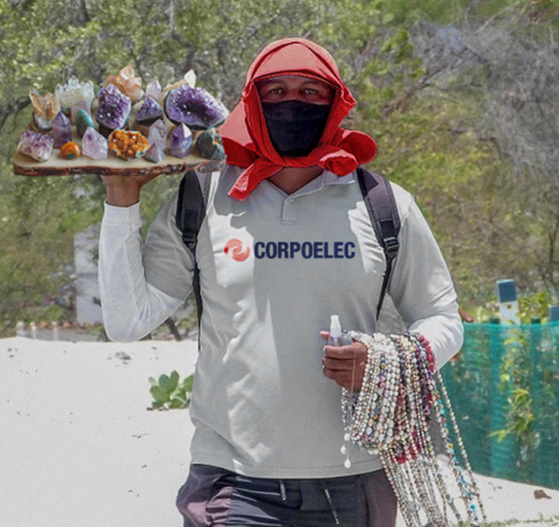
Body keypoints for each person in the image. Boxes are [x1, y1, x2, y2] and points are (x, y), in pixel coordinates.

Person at [98, 38, 463, 527]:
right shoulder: (203, 197)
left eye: (312, 92)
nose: (293, 103)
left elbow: (443, 319)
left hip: (356, 478)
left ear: (337, 104)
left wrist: (388, 360)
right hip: (232, 480)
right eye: (276, 91)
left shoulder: (384, 205)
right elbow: (127, 322)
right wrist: (121, 204)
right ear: (251, 101)